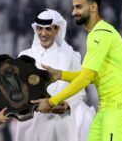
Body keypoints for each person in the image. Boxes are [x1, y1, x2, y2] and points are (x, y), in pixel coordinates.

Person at [32, 0, 122, 141]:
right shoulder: (95, 34)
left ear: (93, 7)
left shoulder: (101, 34)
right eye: (73, 7)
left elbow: (85, 78)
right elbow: (90, 75)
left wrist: (52, 102)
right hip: (107, 107)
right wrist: (61, 75)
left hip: (121, 107)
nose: (73, 12)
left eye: (78, 7)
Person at [15, 8, 95, 141]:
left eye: (48, 29)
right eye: (40, 29)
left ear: (57, 29)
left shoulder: (71, 56)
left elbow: (80, 89)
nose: (43, 33)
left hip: (60, 124)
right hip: (31, 125)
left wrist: (67, 105)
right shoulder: (24, 56)